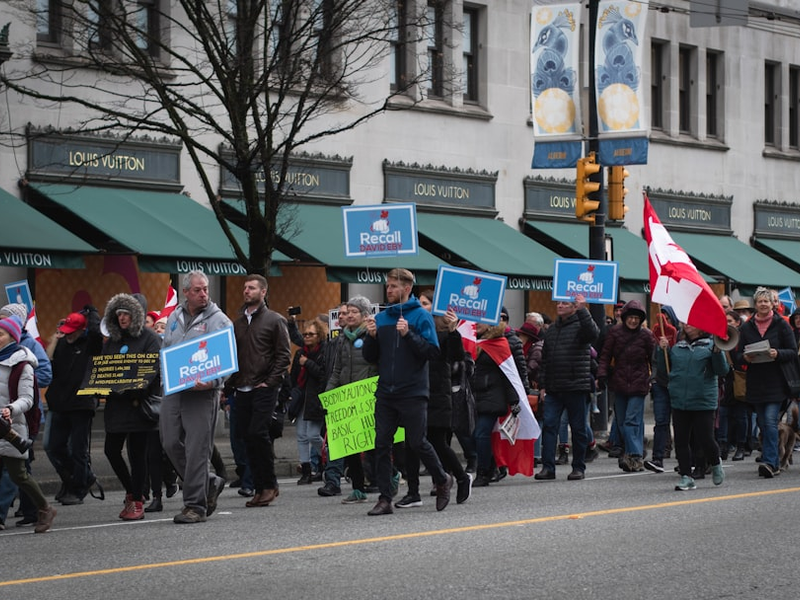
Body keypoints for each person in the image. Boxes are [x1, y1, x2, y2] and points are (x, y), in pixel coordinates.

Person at [362, 268, 453, 516]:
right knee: (381, 444)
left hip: (413, 391)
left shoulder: (421, 317)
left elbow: (432, 353)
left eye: (393, 286)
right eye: (388, 286)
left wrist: (408, 334)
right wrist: (371, 337)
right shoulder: (381, 319)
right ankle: (384, 498)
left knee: (417, 441)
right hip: (386, 391)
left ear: (406, 288)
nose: (388, 290)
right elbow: (371, 357)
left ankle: (442, 478)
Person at [161, 271, 232, 523]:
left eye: (206, 289)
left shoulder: (219, 320)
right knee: (170, 442)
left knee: (197, 450)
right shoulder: (174, 317)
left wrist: (213, 382)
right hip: (174, 391)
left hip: (202, 394)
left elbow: (226, 359)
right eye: (198, 290)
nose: (204, 294)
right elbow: (166, 349)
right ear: (185, 292)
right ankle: (209, 482)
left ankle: (195, 506)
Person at [397, 291, 471, 506]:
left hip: (437, 394)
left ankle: (461, 476)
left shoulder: (443, 332)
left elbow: (457, 356)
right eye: (419, 303)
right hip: (413, 391)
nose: (420, 307)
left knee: (437, 442)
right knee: (411, 443)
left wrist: (453, 330)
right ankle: (413, 492)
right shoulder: (413, 328)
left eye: (425, 303)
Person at [223, 274, 291, 508]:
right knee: (246, 437)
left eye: (251, 288)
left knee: (258, 434)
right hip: (241, 387)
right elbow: (232, 356)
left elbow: (284, 355)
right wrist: (228, 385)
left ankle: (269, 485)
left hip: (263, 386)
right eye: (244, 287)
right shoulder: (237, 322)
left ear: (263, 292)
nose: (246, 291)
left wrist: (270, 382)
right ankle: (258, 487)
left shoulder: (274, 320)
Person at [99, 294, 162, 520]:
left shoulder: (151, 338)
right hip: (116, 406)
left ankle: (137, 501)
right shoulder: (112, 342)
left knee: (137, 455)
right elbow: (103, 370)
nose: (123, 318)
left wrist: (132, 386)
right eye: (119, 314)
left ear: (135, 315)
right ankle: (131, 490)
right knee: (111, 450)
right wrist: (98, 387)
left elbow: (152, 369)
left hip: (139, 406)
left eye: (126, 314)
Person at [657, 322, 729, 490]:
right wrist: (663, 351)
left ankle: (715, 463)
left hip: (703, 400)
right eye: (685, 323)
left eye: (691, 323)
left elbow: (722, 371)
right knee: (681, 441)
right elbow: (664, 369)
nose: (687, 325)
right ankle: (686, 476)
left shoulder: (712, 345)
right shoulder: (677, 347)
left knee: (705, 438)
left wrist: (718, 353)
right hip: (679, 400)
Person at [0, 317, 56, 533]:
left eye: (1, 334)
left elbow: (28, 399)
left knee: (19, 475)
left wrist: (11, 409)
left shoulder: (22, 365)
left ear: (12, 337)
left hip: (12, 426)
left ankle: (45, 508)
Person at [318, 295, 377, 502]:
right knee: (349, 444)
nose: (350, 315)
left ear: (364, 315)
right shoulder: (343, 338)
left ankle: (389, 476)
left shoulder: (373, 335)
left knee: (373, 445)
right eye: (348, 311)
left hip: (368, 396)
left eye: (354, 312)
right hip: (346, 396)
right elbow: (337, 369)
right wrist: (329, 394)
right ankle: (358, 488)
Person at [735, 286, 798, 478]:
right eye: (760, 301)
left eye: (766, 301)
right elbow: (737, 355)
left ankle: (771, 463)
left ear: (772, 304)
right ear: (756, 304)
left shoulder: (782, 325)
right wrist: (745, 358)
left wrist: (777, 353)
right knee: (762, 423)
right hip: (756, 382)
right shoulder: (746, 327)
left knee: (770, 421)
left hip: (777, 381)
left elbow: (792, 351)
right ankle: (772, 458)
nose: (763, 304)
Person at [44, 307, 104, 506]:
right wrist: (56, 337)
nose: (68, 335)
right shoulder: (61, 343)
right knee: (53, 447)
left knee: (78, 450)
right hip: (60, 403)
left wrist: (91, 314)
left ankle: (78, 488)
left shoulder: (90, 345)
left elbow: (96, 333)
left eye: (72, 331)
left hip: (81, 404)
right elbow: (47, 362)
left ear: (81, 330)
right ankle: (79, 478)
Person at [535, 294, 598, 481]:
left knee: (578, 428)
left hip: (575, 386)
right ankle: (548, 468)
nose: (560, 306)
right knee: (549, 426)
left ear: (573, 307)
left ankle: (578, 467)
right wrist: (543, 385)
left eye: (565, 303)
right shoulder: (552, 329)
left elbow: (594, 333)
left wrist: (583, 310)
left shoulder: (581, 325)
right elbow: (545, 359)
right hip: (554, 388)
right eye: (559, 303)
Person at [597, 300, 656, 473]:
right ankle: (634, 451)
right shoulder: (615, 333)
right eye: (630, 317)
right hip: (619, 383)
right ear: (624, 317)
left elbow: (654, 358)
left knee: (631, 421)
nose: (633, 321)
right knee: (622, 422)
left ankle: (634, 455)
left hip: (639, 383)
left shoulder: (646, 335)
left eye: (636, 318)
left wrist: (653, 377)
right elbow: (605, 356)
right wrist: (601, 375)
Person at [471, 320, 521, 487]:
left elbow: (509, 373)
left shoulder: (499, 343)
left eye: (480, 321)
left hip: (492, 397)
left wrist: (514, 400)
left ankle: (483, 471)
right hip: (475, 396)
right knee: (476, 436)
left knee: (481, 434)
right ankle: (493, 467)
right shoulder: (471, 341)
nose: (476, 323)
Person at [290, 317, 328, 485]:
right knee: (301, 436)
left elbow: (323, 374)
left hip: (316, 399)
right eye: (305, 334)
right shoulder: (300, 353)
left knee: (313, 435)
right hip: (302, 398)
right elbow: (294, 376)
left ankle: (333, 458)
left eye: (310, 334)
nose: (306, 337)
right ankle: (306, 471)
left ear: (319, 335)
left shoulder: (324, 351)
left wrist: (308, 363)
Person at [645, 305, 679, 473]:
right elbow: (654, 361)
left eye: (667, 317)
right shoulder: (655, 336)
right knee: (661, 422)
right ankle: (657, 458)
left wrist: (670, 349)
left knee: (681, 423)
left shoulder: (680, 336)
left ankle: (683, 459)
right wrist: (660, 348)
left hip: (678, 384)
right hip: (661, 384)